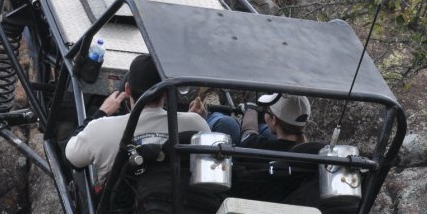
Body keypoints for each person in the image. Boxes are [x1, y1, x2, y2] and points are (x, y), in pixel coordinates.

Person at [65, 54, 209, 184]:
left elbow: (71, 159)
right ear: (165, 92)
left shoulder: (99, 128)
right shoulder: (197, 125)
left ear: (127, 89)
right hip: (182, 206)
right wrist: (193, 119)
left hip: (122, 208)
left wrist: (102, 112)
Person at [239, 93, 311, 150]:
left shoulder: (258, 146)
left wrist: (251, 110)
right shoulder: (312, 152)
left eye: (267, 109)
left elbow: (247, 137)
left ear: (274, 120)